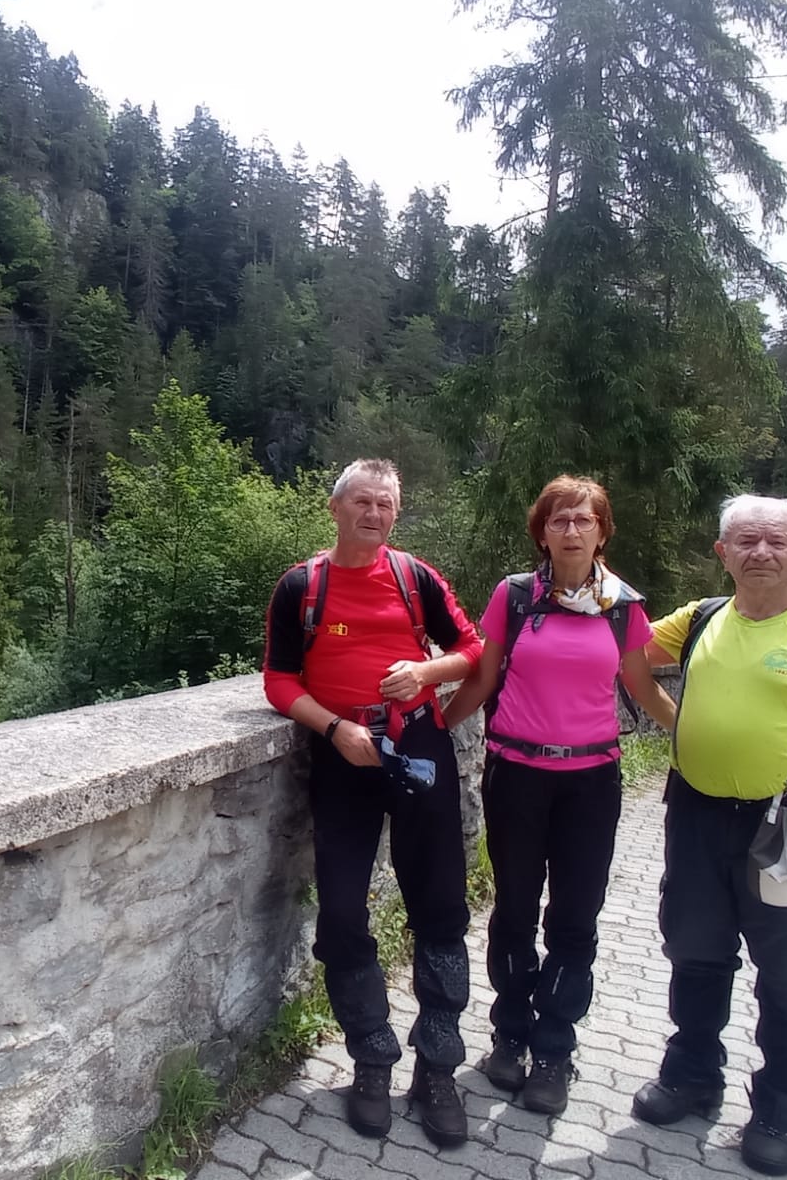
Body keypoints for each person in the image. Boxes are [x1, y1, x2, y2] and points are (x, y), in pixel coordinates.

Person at [632, 495, 787, 1177]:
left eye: (777, 541)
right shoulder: (699, 618)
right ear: (723, 553)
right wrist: (674, 718)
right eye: (745, 541)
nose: (761, 553)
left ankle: (781, 1106)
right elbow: (624, 652)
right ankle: (692, 1075)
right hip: (696, 815)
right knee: (694, 951)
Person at [262, 458, 485, 1148]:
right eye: (363, 501)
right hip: (344, 754)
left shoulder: (415, 577)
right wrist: (334, 728)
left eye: (386, 504)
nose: (375, 514)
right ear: (335, 508)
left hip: (418, 746)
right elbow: (278, 681)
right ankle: (371, 1058)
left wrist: (424, 670)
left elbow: (472, 649)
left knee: (441, 906)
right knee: (340, 907)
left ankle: (438, 1068)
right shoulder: (303, 586)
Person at [441, 475, 676, 1116]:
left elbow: (643, 686)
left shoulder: (623, 607)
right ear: (541, 533)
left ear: (602, 532)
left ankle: (553, 1049)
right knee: (515, 909)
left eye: (583, 520)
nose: (571, 530)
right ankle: (509, 1035)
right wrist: (433, 730)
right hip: (516, 775)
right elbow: (483, 678)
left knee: (575, 916)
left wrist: (693, 735)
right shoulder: (515, 596)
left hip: (591, 784)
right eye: (559, 520)